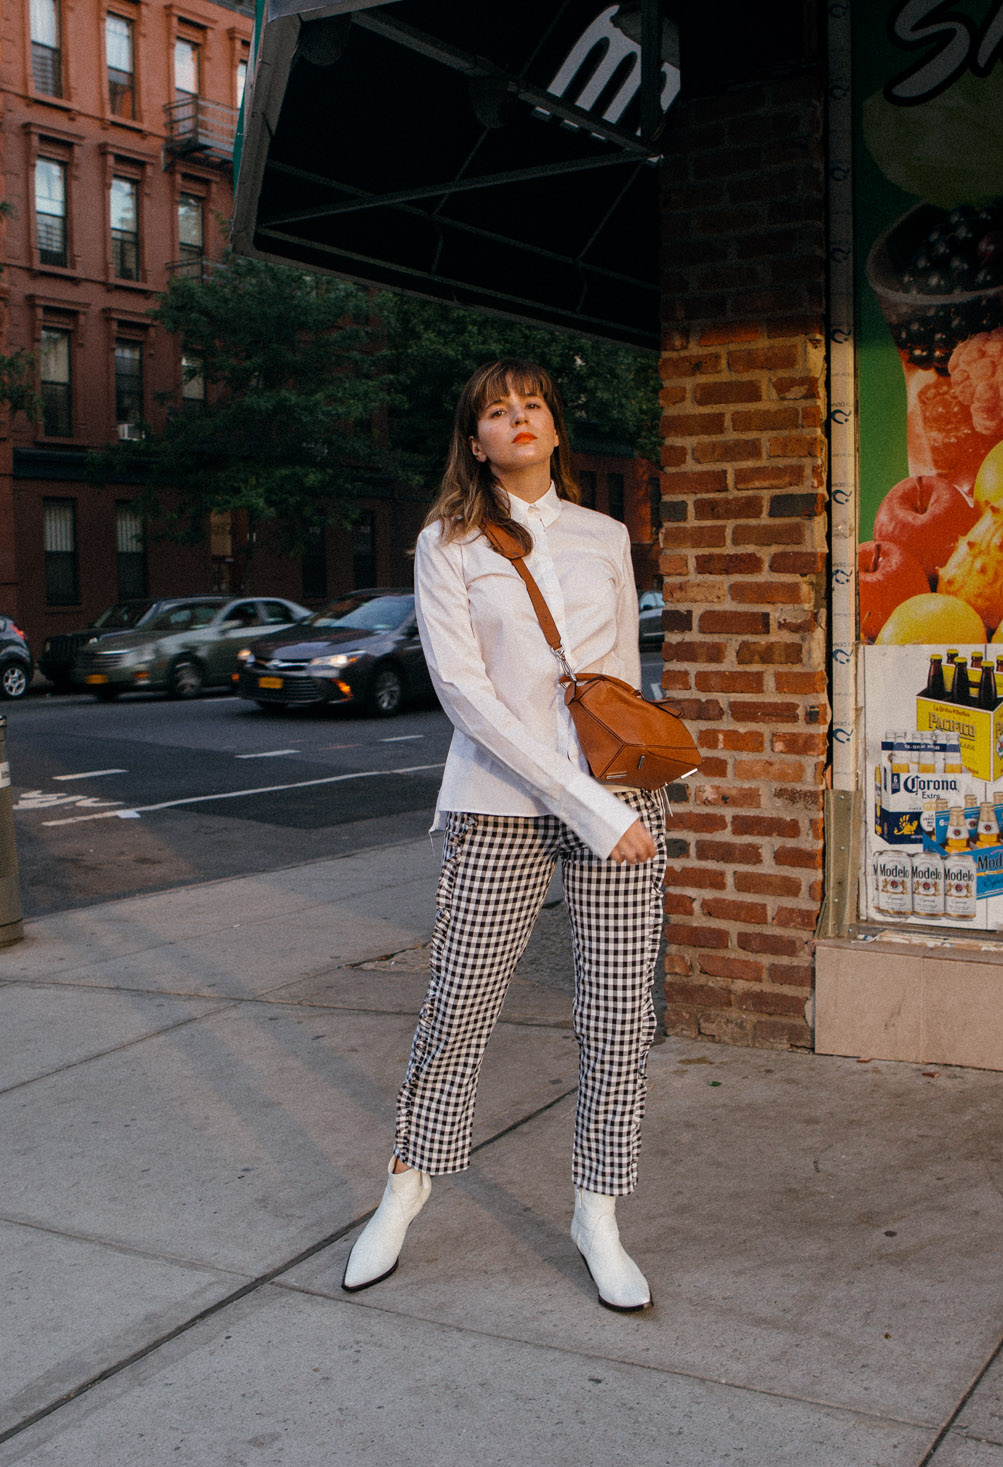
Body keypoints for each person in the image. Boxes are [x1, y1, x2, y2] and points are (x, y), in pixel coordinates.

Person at [342, 358, 666, 1311]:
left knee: (617, 1022)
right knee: (460, 1007)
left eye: (532, 405)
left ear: (555, 429)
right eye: (497, 410)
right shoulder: (447, 542)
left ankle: (597, 1212)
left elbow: (621, 683)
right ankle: (404, 1188)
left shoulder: (607, 535)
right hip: (500, 808)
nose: (517, 418)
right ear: (474, 438)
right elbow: (465, 697)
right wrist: (590, 806)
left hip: (617, 811)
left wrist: (627, 793)